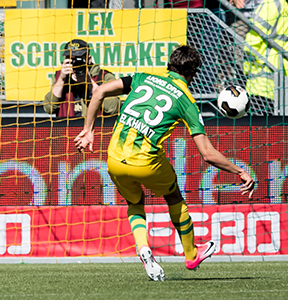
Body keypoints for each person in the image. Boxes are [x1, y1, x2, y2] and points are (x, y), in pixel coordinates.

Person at [74, 45, 255, 281]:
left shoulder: (142, 78)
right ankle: (191, 254)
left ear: (169, 64)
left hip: (114, 157)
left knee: (135, 203)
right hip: (146, 162)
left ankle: (143, 249)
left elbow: (98, 93)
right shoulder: (187, 101)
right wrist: (240, 170)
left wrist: (88, 130)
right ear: (194, 74)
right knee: (174, 197)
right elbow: (208, 154)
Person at [44, 39, 119, 118]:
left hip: (94, 129)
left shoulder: (103, 77)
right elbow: (49, 108)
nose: (75, 63)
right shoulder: (60, 77)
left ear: (88, 60)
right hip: (68, 129)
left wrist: (89, 83)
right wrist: (61, 80)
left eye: (78, 59)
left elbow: (113, 108)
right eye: (71, 59)